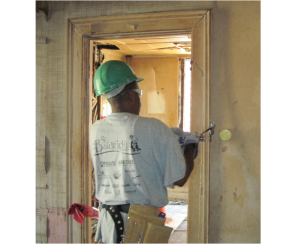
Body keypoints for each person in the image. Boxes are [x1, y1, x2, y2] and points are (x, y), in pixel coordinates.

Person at [89, 60, 196, 243]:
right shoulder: (154, 128)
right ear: (131, 95)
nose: (139, 98)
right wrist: (190, 148)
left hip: (108, 223)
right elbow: (179, 179)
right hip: (139, 225)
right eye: (139, 93)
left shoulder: (96, 129)